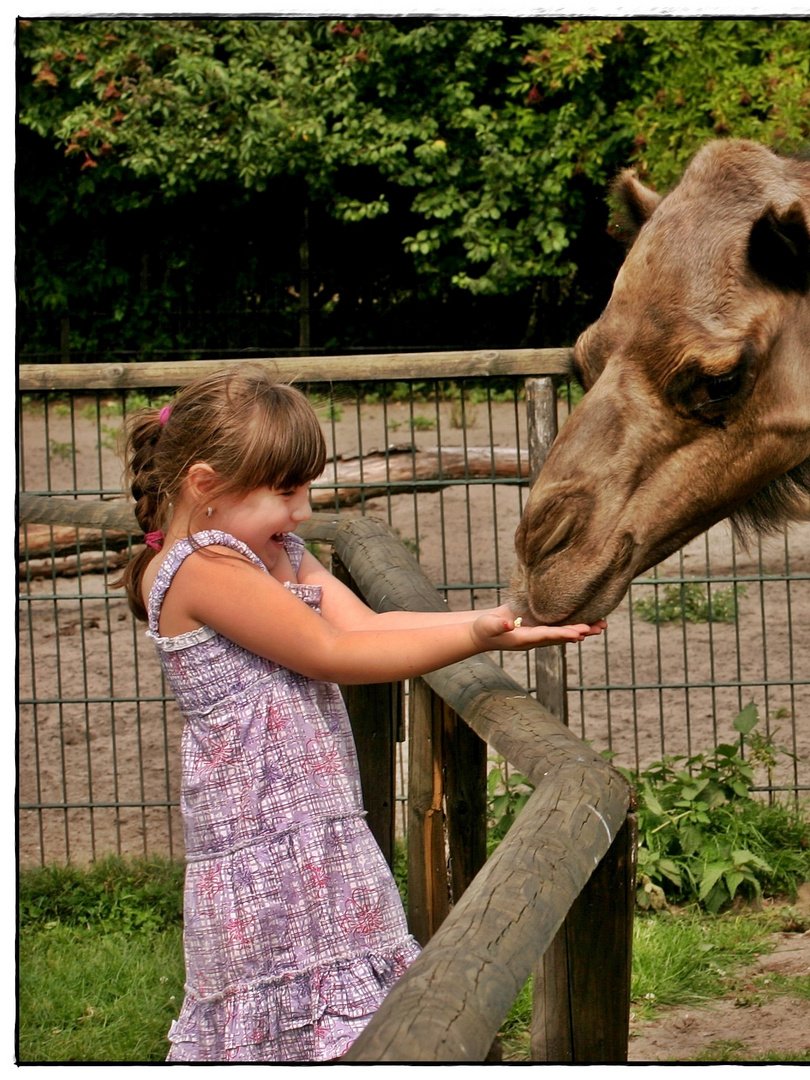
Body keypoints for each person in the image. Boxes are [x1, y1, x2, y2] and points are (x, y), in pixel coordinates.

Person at [117, 366, 603, 1061]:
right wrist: (471, 637)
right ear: (205, 487)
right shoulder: (200, 568)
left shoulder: (274, 551)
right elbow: (329, 651)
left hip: (316, 829)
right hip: (263, 842)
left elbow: (372, 626)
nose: (304, 510)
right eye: (286, 492)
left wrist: (499, 621)